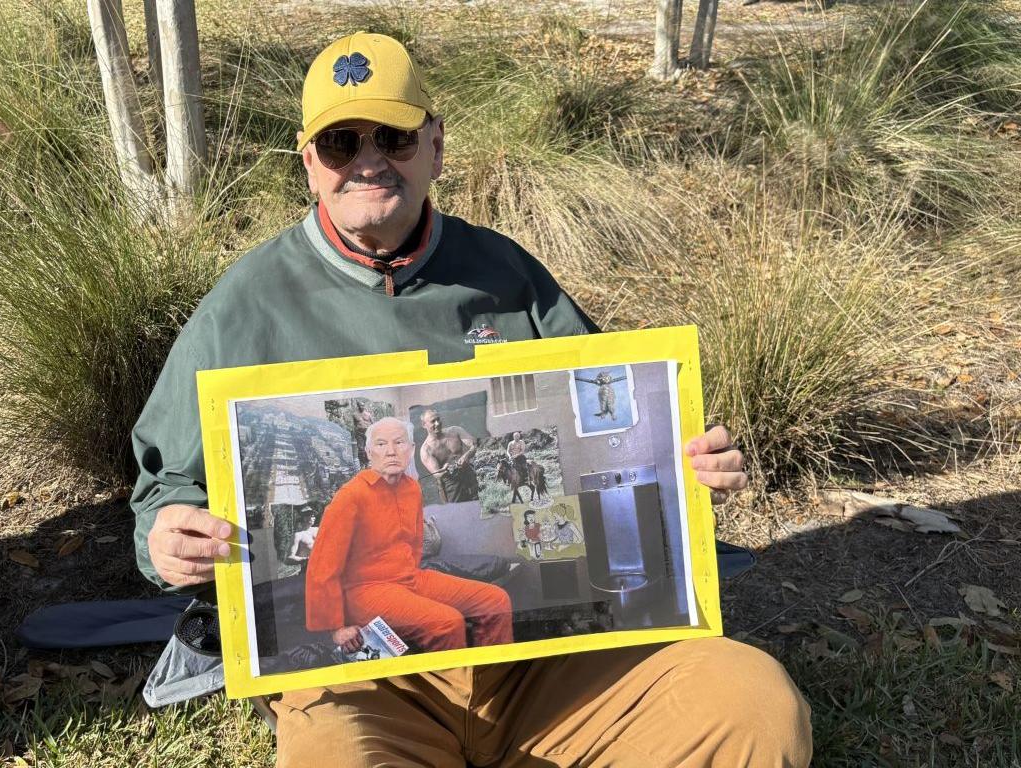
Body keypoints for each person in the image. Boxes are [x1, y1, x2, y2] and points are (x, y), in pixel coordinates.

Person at [130, 31, 811, 767]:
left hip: (546, 664)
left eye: (394, 137)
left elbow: (615, 428)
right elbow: (164, 489)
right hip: (367, 682)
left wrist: (685, 463)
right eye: (340, 143)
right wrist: (166, 538)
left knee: (751, 708)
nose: (369, 161)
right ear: (309, 164)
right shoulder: (244, 306)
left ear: (435, 147)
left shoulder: (506, 274)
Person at [305, 417, 512, 653]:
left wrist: (409, 583)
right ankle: (453, 678)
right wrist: (336, 628)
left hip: (410, 578)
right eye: (381, 444)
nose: (391, 451)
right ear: (369, 452)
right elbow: (322, 566)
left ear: (411, 450)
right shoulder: (350, 496)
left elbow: (414, 545)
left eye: (399, 443)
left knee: (495, 600)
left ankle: (493, 670)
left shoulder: (412, 489)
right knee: (447, 622)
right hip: (365, 591)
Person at [418, 408, 478, 503]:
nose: (437, 423)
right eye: (433, 421)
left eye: (438, 419)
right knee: (459, 511)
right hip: (451, 485)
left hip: (469, 474)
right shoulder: (426, 450)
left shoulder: (455, 431)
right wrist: (444, 469)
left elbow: (475, 445)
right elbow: (437, 474)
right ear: (424, 425)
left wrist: (467, 455)